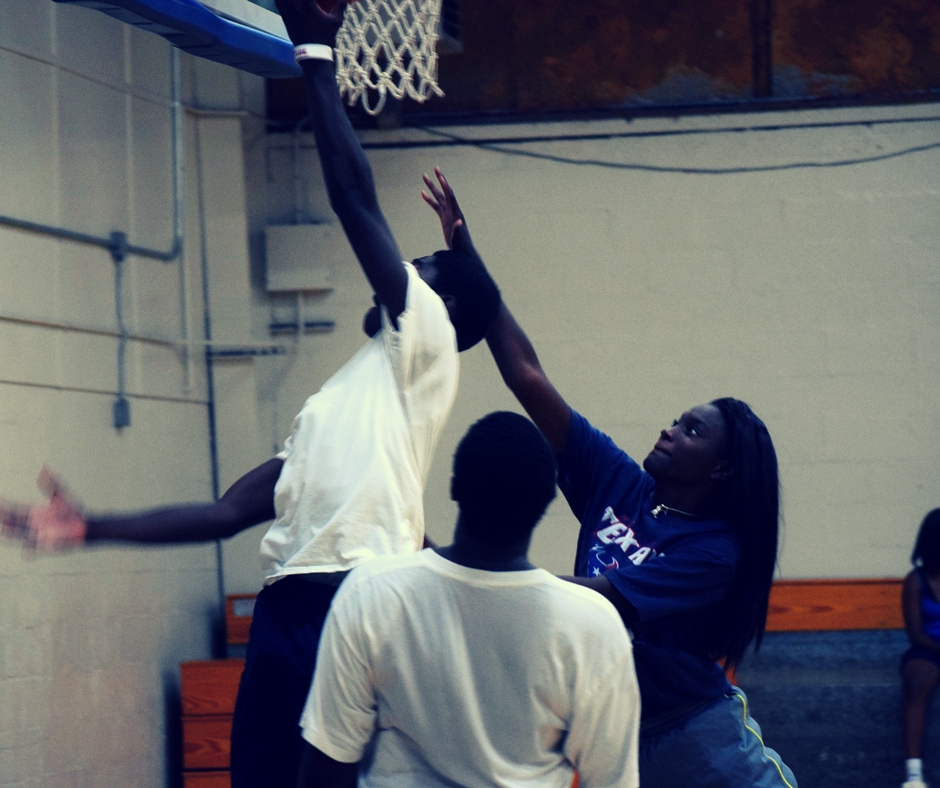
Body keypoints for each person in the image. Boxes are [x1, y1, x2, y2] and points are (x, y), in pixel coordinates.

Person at [0, 3, 500, 786]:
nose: (405, 270)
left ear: (447, 307)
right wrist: (91, 525)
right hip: (287, 608)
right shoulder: (336, 404)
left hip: (361, 596)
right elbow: (227, 513)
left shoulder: (428, 337)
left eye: (423, 267)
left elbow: (354, 201)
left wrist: (316, 53)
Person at [422, 177, 797, 787]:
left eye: (694, 432)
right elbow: (529, 378)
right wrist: (471, 270)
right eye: (678, 419)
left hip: (702, 744)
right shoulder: (620, 481)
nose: (672, 430)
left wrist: (458, 568)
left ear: (722, 470)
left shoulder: (715, 552)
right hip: (622, 743)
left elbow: (595, 601)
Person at [296, 410, 641, 788]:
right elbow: (610, 780)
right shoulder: (593, 624)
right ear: (545, 503)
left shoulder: (372, 592)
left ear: (454, 486)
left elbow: (329, 763)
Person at [900, 509, 940, 788]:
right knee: (919, 682)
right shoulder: (915, 581)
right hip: (927, 649)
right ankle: (914, 775)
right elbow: (915, 633)